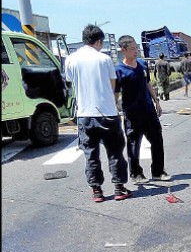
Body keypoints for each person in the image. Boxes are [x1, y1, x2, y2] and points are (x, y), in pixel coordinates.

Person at [64, 24, 131, 202]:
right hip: (107, 113)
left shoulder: (71, 59)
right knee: (115, 152)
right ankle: (119, 188)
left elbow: (71, 82)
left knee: (90, 154)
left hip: (84, 114)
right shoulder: (104, 59)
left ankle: (97, 191)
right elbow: (112, 85)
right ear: (99, 41)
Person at [115, 35, 171, 185]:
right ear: (123, 50)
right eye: (132, 49)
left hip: (149, 110)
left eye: (136, 48)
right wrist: (115, 109)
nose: (136, 51)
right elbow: (115, 93)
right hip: (132, 114)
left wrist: (156, 101)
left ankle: (158, 171)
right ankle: (136, 173)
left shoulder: (141, 65)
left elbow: (148, 84)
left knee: (157, 140)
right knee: (134, 145)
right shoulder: (119, 70)